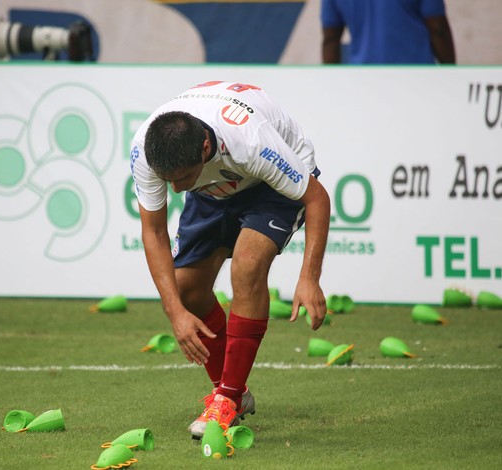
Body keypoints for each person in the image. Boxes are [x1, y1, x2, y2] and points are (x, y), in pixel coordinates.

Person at [130, 80, 330, 438]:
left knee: (247, 266)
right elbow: (154, 232)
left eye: (182, 179)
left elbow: (317, 199)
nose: (175, 190)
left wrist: (310, 276)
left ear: (205, 147)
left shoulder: (251, 140)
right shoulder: (148, 150)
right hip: (213, 189)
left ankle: (227, 398)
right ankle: (235, 390)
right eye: (168, 181)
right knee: (186, 289)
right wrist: (174, 312)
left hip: (271, 186)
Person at [321, 0, 456, 64]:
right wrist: (451, 73)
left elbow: (330, 40)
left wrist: (332, 86)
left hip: (363, 81)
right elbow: (438, 29)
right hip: (416, 78)